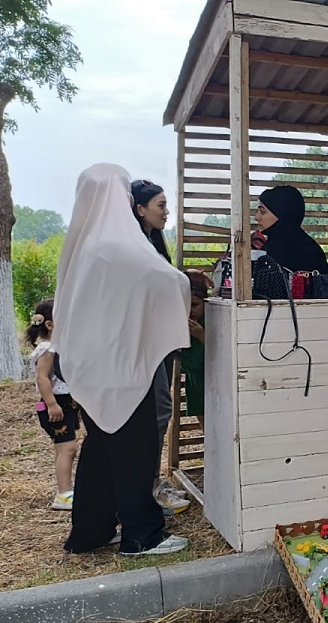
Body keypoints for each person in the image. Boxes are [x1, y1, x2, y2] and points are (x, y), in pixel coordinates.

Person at [55, 163, 192, 556]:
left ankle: (91, 531)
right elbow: (170, 281)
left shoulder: (83, 245)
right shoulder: (118, 245)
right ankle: (141, 536)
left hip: (90, 367)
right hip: (123, 367)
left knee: (101, 450)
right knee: (136, 449)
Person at [131, 179, 191, 516]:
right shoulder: (134, 247)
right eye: (161, 205)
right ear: (140, 209)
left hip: (159, 341)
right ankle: (148, 487)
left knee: (161, 410)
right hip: (144, 344)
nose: (167, 212)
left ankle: (152, 482)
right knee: (157, 412)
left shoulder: (151, 243)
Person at [25, 299, 80, 511]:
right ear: (49, 325)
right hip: (58, 404)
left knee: (62, 447)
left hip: (67, 404)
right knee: (68, 448)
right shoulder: (48, 348)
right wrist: (52, 404)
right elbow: (43, 378)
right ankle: (64, 494)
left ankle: (64, 489)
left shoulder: (58, 347)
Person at [257, 185, 328, 274]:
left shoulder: (303, 252)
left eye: (262, 212)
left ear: (282, 213)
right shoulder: (310, 247)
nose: (257, 217)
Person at [179, 273, 207, 432]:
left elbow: (221, 350)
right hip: (193, 377)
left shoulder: (212, 320)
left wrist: (201, 335)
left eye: (195, 305)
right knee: (204, 423)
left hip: (208, 377)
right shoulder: (181, 321)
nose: (190, 311)